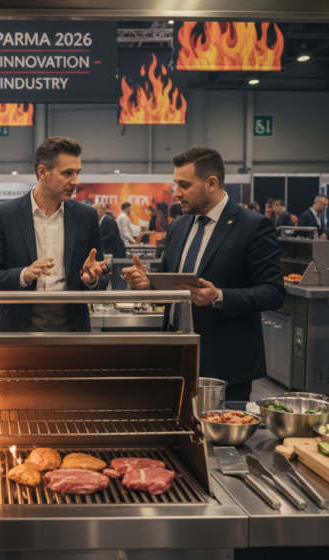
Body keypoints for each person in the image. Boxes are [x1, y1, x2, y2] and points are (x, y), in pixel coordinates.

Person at [122, 145, 285, 402]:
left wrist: (219, 296)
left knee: (221, 439)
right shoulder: (179, 226)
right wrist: (146, 284)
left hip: (227, 365)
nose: (176, 193)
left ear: (211, 183)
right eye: (176, 184)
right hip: (176, 357)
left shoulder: (253, 227)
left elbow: (274, 292)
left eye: (184, 185)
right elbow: (169, 282)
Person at [0, 136, 109, 332]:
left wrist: (92, 279)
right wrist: (24, 274)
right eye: (67, 173)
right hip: (17, 325)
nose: (75, 181)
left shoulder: (86, 217)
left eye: (77, 173)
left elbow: (101, 275)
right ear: (43, 172)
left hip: (73, 325)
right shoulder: (5, 215)